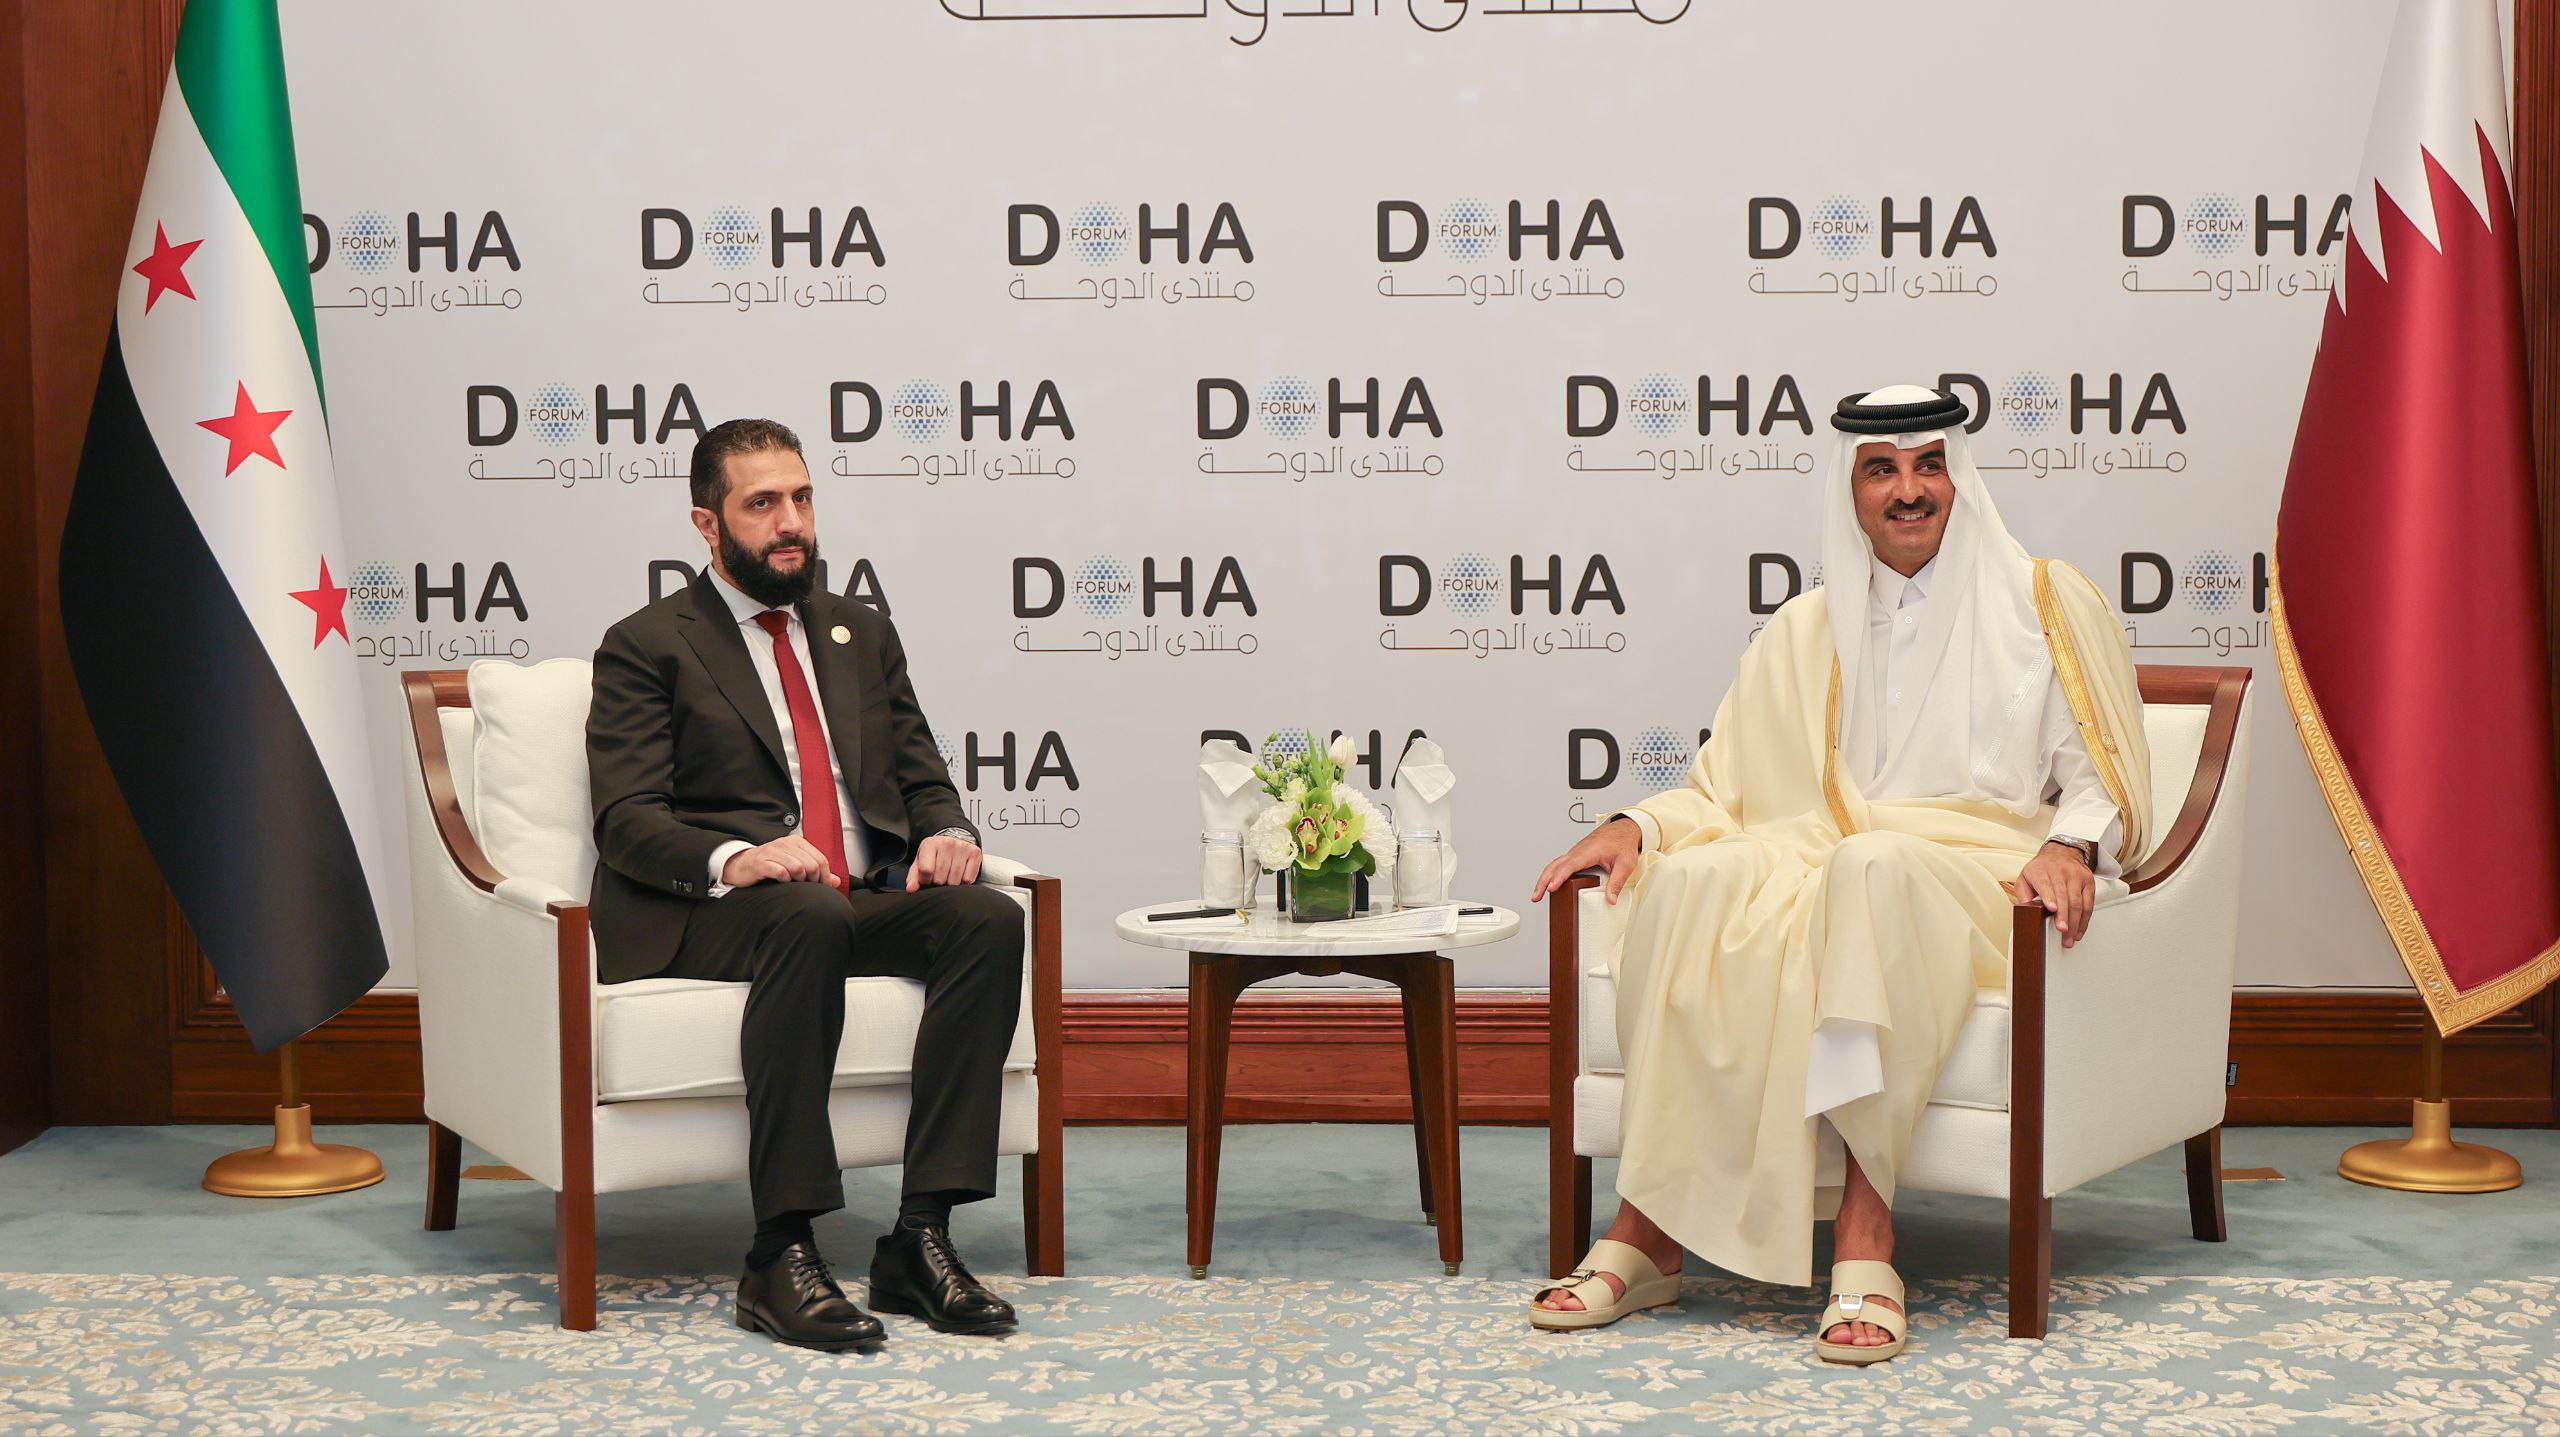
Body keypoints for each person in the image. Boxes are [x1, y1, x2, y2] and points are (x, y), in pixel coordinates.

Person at [1525, 385, 2153, 1364]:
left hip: (1976, 875)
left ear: (1957, 477)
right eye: (1881, 470)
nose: (1909, 491)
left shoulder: (2040, 601)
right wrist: (1636, 824)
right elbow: (1727, 789)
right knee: (1696, 884)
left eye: (1927, 465)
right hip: (1828, 855)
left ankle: (1867, 1236)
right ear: (1850, 490)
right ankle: (1646, 1231)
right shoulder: (1802, 629)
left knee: (1864, 867)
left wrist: (2070, 846)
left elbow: (2102, 771)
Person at [585, 417, 1024, 1353]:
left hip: (843, 895)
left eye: (802, 497)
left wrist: (947, 830)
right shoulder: (647, 643)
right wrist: (736, 858)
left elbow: (922, 771)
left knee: (985, 917)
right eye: (762, 504)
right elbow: (625, 817)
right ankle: (779, 1251)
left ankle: (920, 1236)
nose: (791, 523)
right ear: (708, 523)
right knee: (806, 912)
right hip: (713, 910)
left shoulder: (857, 630)